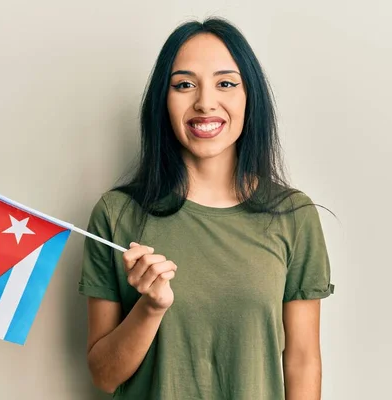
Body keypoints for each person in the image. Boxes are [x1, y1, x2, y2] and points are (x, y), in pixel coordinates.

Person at [78, 17, 335, 400]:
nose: (204, 102)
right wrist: (151, 307)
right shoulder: (116, 215)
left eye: (226, 83)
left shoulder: (294, 216)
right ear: (163, 101)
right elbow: (104, 375)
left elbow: (302, 361)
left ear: (250, 97)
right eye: (184, 84)